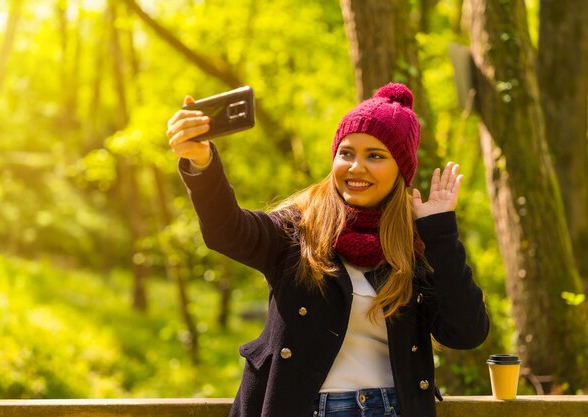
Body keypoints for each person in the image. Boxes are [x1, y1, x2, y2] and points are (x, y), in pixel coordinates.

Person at [166, 82, 489, 417]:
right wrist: (202, 164)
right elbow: (227, 231)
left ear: (401, 170)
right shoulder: (297, 229)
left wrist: (440, 236)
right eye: (346, 153)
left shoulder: (416, 244)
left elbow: (466, 333)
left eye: (375, 156)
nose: (355, 167)